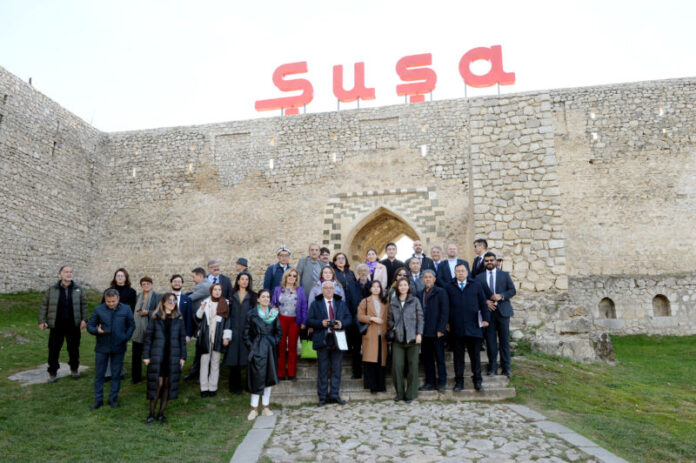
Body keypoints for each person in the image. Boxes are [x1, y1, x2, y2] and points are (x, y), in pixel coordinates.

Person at [143, 293, 187, 424]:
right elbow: (148, 338)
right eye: (169, 300)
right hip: (158, 356)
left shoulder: (178, 318)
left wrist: (183, 357)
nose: (172, 303)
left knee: (168, 385)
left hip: (172, 356)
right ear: (163, 302)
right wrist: (146, 355)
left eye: (174, 301)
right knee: (158, 384)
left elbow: (182, 340)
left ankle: (161, 414)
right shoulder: (155, 318)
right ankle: (151, 414)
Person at [87, 289, 135, 409]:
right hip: (102, 346)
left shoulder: (126, 309)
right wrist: (96, 331)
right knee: (99, 374)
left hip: (119, 346)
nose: (111, 304)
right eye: (108, 301)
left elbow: (131, 325)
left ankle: (113, 398)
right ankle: (98, 399)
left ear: (118, 299)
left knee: (116, 374)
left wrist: (125, 337)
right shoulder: (98, 309)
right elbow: (90, 326)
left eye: (113, 301)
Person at [39, 265, 88, 382]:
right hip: (56, 325)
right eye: (66, 272)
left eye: (71, 272)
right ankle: (52, 372)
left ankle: (74, 368)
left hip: (73, 325)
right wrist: (42, 321)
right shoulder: (52, 290)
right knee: (54, 349)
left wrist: (84, 319)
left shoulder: (78, 289)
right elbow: (44, 306)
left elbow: (84, 305)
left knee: (74, 349)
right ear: (60, 274)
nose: (69, 274)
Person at [307, 281, 352, 407]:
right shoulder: (316, 304)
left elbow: (349, 318)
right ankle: (322, 397)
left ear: (334, 290)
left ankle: (334, 395)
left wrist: (341, 323)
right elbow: (309, 320)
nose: (328, 290)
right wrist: (321, 323)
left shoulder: (341, 303)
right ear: (322, 290)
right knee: (322, 369)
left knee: (337, 368)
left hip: (337, 338)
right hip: (322, 338)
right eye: (325, 288)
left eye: (331, 288)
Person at [446, 263, 490, 391]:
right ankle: (459, 382)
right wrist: (447, 323)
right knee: (458, 357)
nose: (460, 273)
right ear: (455, 273)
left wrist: (486, 319)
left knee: (475, 356)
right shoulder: (449, 287)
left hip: (474, 326)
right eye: (458, 271)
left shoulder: (476, 285)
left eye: (463, 271)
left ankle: (478, 381)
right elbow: (446, 307)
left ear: (467, 272)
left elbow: (483, 302)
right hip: (456, 327)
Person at [476, 252, 516, 377]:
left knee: (504, 341)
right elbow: (476, 295)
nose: (489, 262)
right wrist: (486, 302)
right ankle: (492, 367)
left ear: (495, 261)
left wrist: (502, 296)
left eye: (491, 260)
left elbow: (512, 290)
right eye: (486, 260)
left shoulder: (504, 275)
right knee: (491, 341)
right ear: (484, 263)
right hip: (488, 313)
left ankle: (506, 367)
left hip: (503, 312)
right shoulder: (479, 278)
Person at [244, 289, 282, 420]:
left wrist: (274, 341)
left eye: (268, 297)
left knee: (268, 378)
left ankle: (265, 407)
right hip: (257, 348)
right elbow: (246, 333)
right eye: (263, 297)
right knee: (256, 377)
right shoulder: (252, 314)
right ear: (258, 299)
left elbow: (279, 332)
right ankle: (254, 408)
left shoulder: (274, 313)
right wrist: (252, 346)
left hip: (270, 348)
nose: (266, 299)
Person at [389, 279, 424, 403]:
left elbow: (420, 318)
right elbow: (390, 319)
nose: (403, 287)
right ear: (397, 288)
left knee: (413, 366)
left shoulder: (415, 301)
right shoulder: (393, 302)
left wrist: (419, 333)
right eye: (400, 285)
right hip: (398, 340)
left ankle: (411, 394)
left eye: (405, 285)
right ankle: (400, 393)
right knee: (397, 367)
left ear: (408, 287)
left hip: (412, 339)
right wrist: (394, 327)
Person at [101, 268, 138, 382]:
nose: (120, 277)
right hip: (109, 322)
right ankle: (107, 373)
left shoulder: (131, 292)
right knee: (107, 346)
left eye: (122, 276)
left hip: (123, 323)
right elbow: (102, 306)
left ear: (126, 278)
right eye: (118, 275)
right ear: (115, 277)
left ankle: (119, 371)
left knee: (120, 348)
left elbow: (132, 309)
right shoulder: (108, 290)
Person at [196, 283, 232, 397]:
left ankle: (213, 387)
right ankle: (204, 388)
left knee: (215, 362)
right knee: (204, 362)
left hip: (217, 336)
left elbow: (228, 321)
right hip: (206, 336)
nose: (217, 291)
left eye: (219, 289)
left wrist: (226, 336)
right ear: (211, 291)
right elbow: (198, 317)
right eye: (215, 289)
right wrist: (201, 308)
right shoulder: (205, 302)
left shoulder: (225, 304)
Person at [224, 271, 256, 394]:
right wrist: (226, 334)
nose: (244, 281)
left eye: (247, 279)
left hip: (247, 331)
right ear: (238, 281)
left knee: (248, 359)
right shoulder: (232, 295)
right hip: (233, 331)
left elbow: (254, 314)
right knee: (233, 360)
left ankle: (249, 386)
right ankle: (234, 387)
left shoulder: (253, 296)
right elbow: (227, 316)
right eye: (242, 279)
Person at [271, 269, 306, 381]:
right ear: (285, 277)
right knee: (280, 346)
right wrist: (273, 307)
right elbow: (272, 303)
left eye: (294, 276)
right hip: (281, 319)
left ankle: (292, 373)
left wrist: (303, 322)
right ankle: (280, 373)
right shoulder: (278, 289)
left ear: (296, 278)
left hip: (294, 320)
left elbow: (304, 306)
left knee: (292, 346)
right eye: (289, 275)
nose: (291, 277)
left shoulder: (300, 290)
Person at [419, 270, 449, 392]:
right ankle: (430, 382)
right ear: (422, 280)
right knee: (427, 359)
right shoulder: (420, 293)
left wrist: (441, 329)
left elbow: (445, 311)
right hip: (424, 332)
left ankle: (442, 382)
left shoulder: (441, 292)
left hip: (437, 332)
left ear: (434, 279)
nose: (428, 279)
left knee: (440, 358)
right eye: (425, 277)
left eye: (430, 277)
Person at [357, 280, 388, 393]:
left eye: (378, 287)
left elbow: (388, 318)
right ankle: (372, 386)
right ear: (370, 289)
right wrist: (372, 318)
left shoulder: (384, 302)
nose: (376, 289)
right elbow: (360, 316)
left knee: (381, 361)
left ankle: (381, 385)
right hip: (370, 335)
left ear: (381, 289)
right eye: (373, 287)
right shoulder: (365, 301)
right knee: (371, 361)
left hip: (382, 335)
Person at [332, 252, 359, 378]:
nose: (341, 260)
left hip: (352, 306)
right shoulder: (333, 272)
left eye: (343, 258)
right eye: (338, 259)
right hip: (339, 305)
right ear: (335, 261)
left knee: (352, 331)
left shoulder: (351, 273)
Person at [184, 267, 211, 381]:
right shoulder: (204, 284)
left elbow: (190, 299)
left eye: (194, 277)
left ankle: (202, 375)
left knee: (204, 350)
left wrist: (180, 299)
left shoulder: (204, 285)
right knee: (199, 348)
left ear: (200, 276)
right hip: (201, 321)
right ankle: (195, 372)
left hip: (204, 323)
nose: (193, 279)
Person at [130, 276, 159, 384]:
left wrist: (148, 312)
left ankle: (151, 377)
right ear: (141, 286)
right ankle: (136, 378)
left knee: (151, 355)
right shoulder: (138, 296)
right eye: (143, 284)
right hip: (137, 330)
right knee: (136, 356)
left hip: (151, 330)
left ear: (151, 284)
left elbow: (159, 312)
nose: (146, 285)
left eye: (148, 283)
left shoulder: (157, 296)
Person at [170, 274, 194, 344]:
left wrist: (188, 335)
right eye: (175, 281)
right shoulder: (165, 297)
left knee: (180, 354)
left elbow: (189, 318)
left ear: (182, 284)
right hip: (167, 331)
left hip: (181, 332)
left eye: (179, 282)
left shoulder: (188, 299)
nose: (177, 283)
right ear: (171, 283)